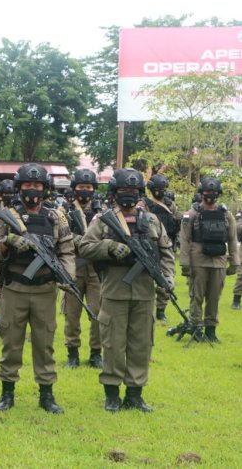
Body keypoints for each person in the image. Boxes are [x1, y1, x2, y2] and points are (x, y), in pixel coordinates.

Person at [79, 168, 174, 412]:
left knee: (141, 344)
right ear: (114, 192)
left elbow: (166, 253)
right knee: (112, 344)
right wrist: (109, 247)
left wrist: (168, 279)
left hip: (144, 293)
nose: (128, 195)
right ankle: (112, 394)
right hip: (114, 292)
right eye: (123, 190)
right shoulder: (103, 220)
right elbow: (85, 248)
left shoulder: (152, 220)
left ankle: (135, 394)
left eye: (133, 191)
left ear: (140, 193)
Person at [0, 163, 74, 414]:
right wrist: (7, 242)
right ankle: (7, 393)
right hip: (15, 288)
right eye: (27, 185)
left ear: (45, 188)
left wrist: (67, 278)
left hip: (45, 289)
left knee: (44, 343)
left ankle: (46, 394)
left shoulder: (56, 216)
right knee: (11, 341)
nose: (32, 190)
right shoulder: (6, 215)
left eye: (37, 186)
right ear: (19, 187)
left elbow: (67, 249)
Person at [179, 177, 238, 343]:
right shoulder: (191, 215)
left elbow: (233, 240)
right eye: (206, 192)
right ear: (201, 193)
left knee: (214, 298)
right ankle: (196, 329)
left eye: (213, 193)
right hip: (198, 261)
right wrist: (184, 263)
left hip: (219, 262)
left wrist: (234, 262)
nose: (210, 195)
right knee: (196, 297)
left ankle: (211, 331)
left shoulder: (226, 215)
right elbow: (184, 239)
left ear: (218, 194)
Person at [62, 169, 102, 369]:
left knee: (98, 313)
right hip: (73, 267)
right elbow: (60, 236)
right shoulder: (64, 211)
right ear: (74, 188)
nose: (84, 191)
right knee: (72, 313)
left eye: (88, 188)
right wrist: (81, 240)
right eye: (81, 187)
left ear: (93, 189)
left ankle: (96, 352)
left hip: (96, 270)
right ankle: (72, 352)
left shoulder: (102, 213)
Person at [143, 174, 182, 321]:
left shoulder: (170, 205)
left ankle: (161, 309)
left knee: (167, 277)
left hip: (166, 244)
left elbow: (178, 222)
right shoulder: (145, 203)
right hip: (149, 244)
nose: (159, 192)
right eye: (157, 189)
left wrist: (176, 240)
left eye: (162, 189)